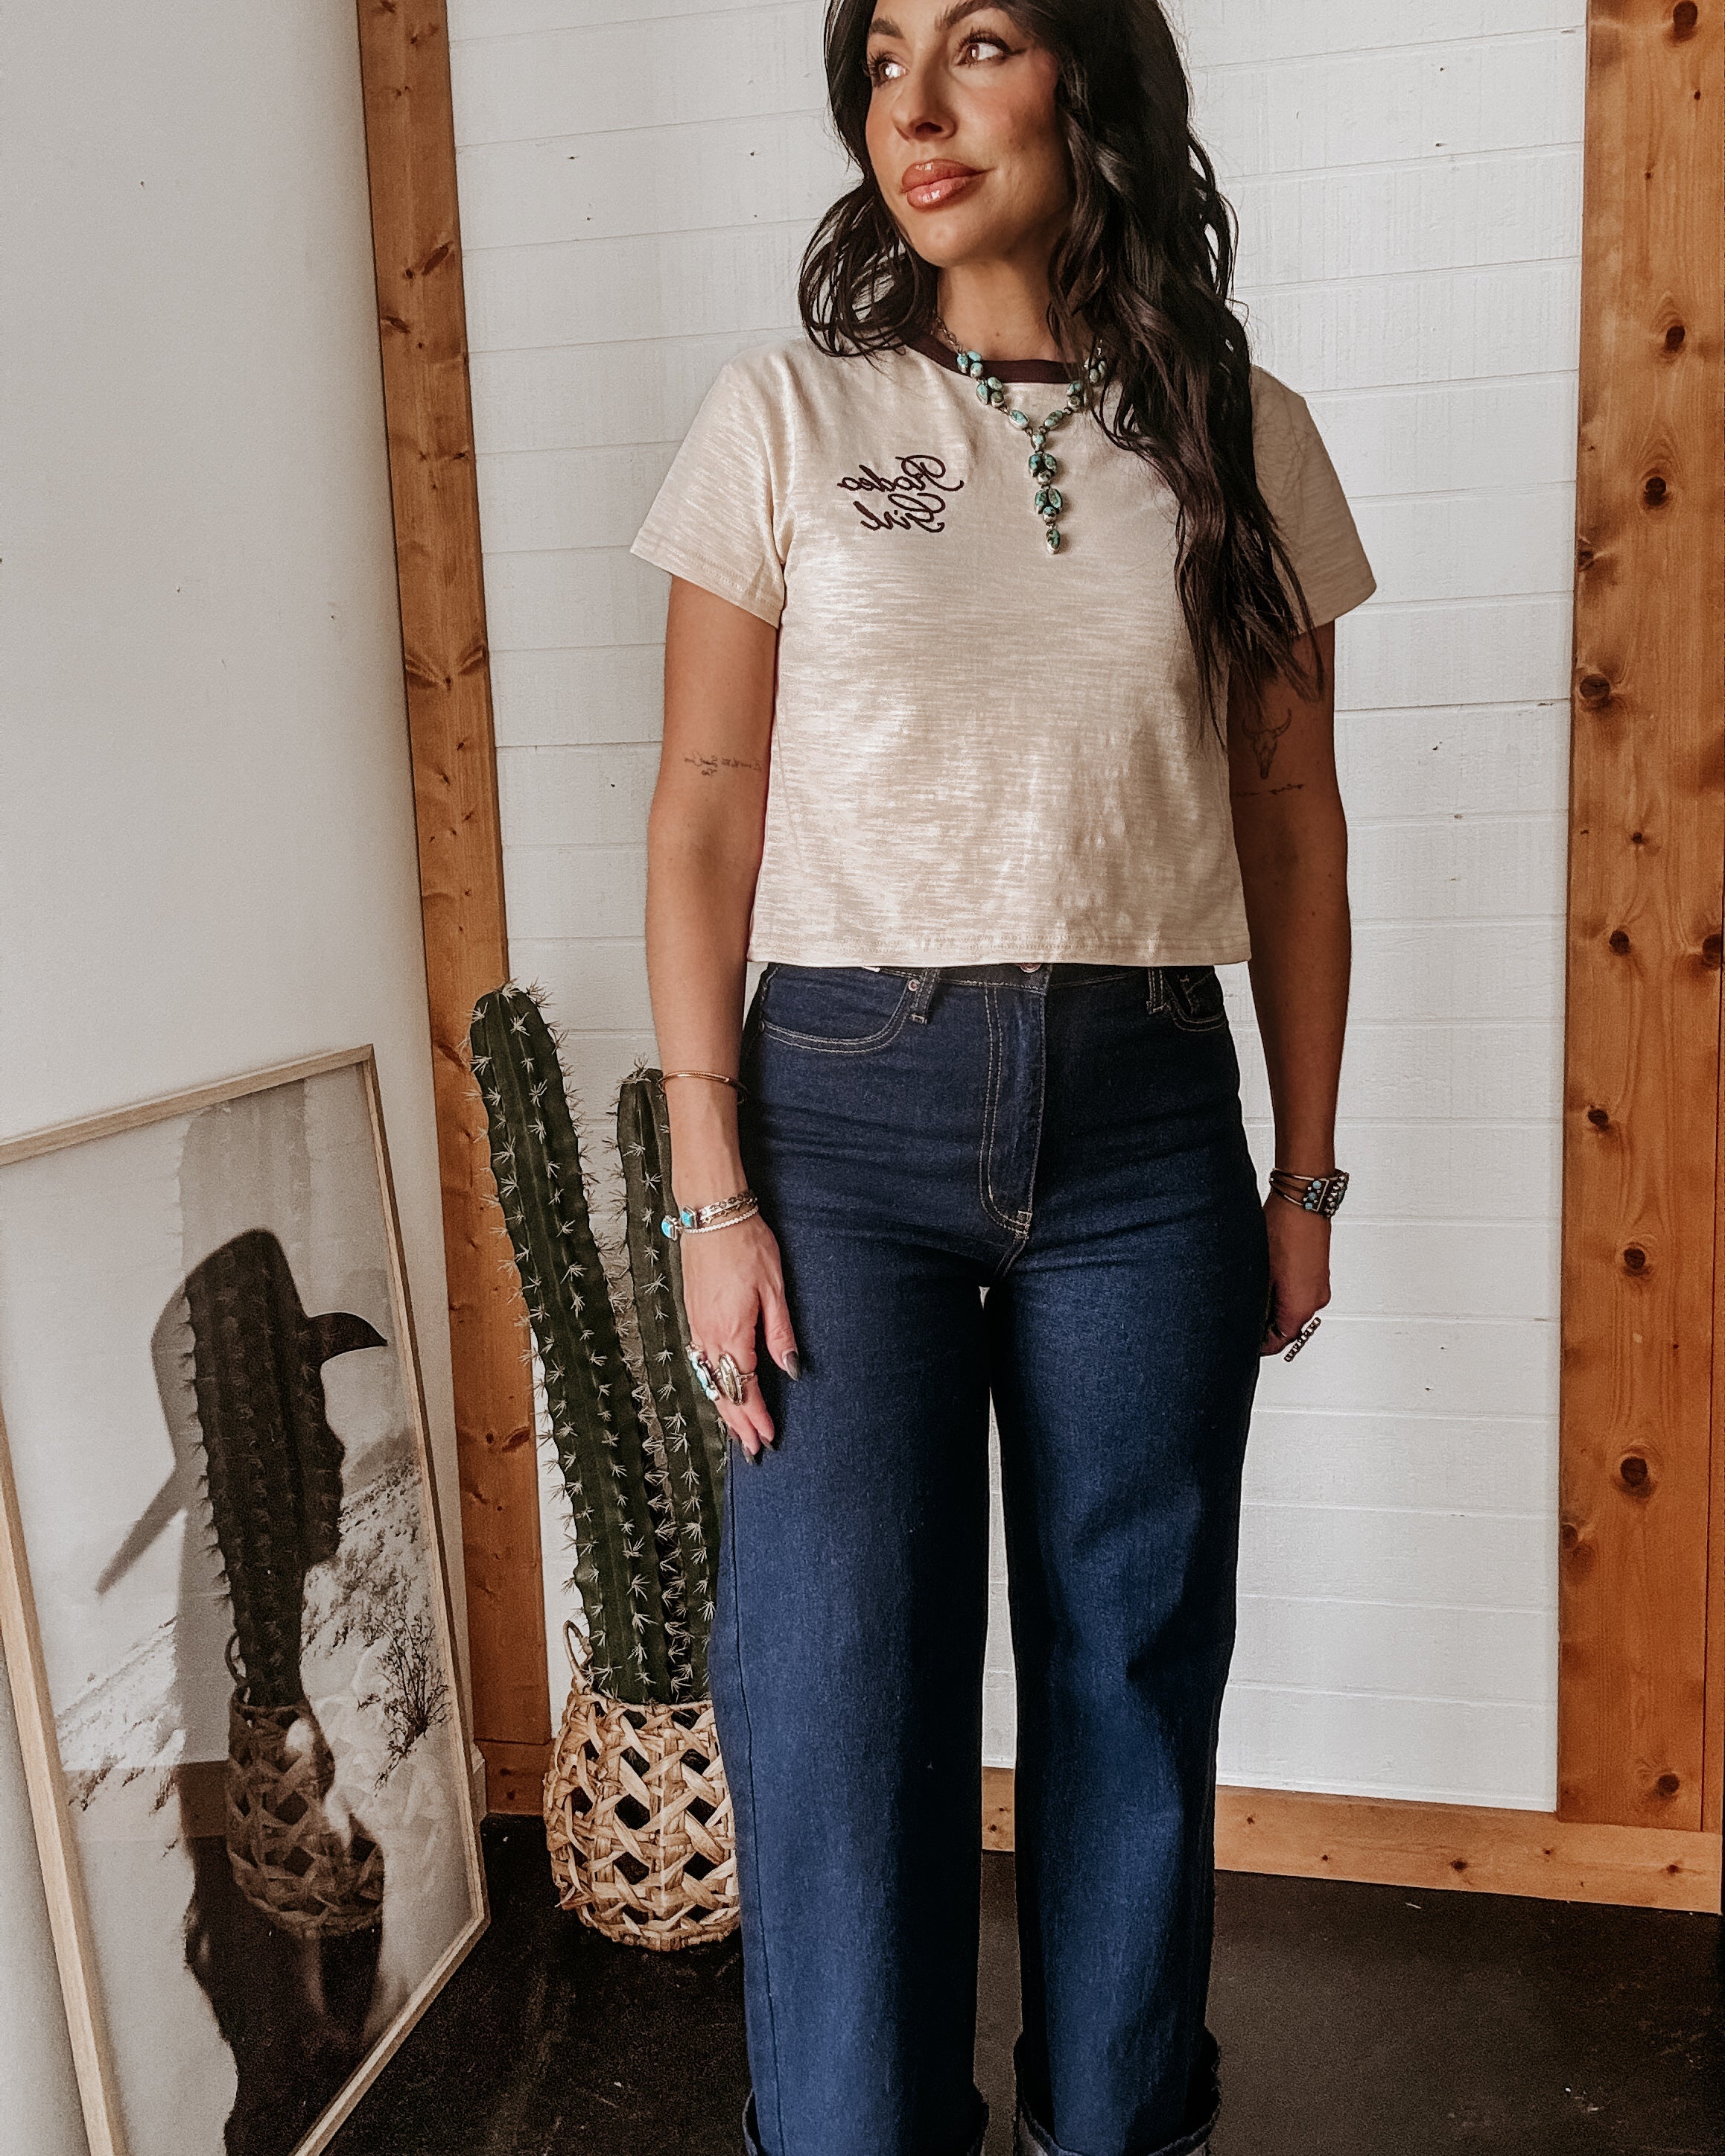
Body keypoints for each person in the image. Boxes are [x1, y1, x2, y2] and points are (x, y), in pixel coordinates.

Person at [629, 3, 1374, 2151]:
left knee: (1128, 1674)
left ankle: (1114, 2124)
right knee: (837, 1696)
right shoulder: (787, 412)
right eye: (880, 62)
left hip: (1148, 1111)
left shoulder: (1243, 428)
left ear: (1090, 82)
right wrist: (708, 1188)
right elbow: (697, 806)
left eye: (977, 45)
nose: (916, 109)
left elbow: (1294, 826)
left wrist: (1298, 1178)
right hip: (837, 1117)